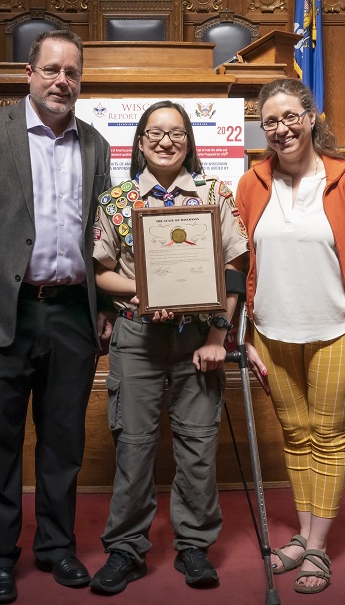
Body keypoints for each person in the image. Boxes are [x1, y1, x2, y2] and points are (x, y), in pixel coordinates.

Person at [0, 29, 113, 605]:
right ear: (29, 74)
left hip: (71, 313)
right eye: (51, 70)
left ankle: (57, 547)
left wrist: (108, 306)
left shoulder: (95, 145)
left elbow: (105, 236)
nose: (61, 81)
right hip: (1, 310)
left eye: (71, 72)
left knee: (64, 439)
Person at [88, 100, 249, 595]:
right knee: (133, 447)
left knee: (198, 447)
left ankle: (194, 546)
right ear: (139, 143)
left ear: (189, 143)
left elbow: (234, 270)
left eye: (176, 133)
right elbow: (101, 271)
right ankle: (125, 549)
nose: (165, 141)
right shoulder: (115, 201)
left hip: (198, 339)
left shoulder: (214, 194)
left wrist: (220, 336)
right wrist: (139, 290)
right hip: (137, 338)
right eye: (155, 133)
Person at [234, 78, 345, 595]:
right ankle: (302, 534)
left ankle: (317, 547)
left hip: (335, 329)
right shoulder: (252, 182)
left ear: (311, 116)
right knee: (296, 434)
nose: (281, 129)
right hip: (272, 330)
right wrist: (247, 330)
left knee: (327, 434)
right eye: (270, 121)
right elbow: (241, 258)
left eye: (290, 117)